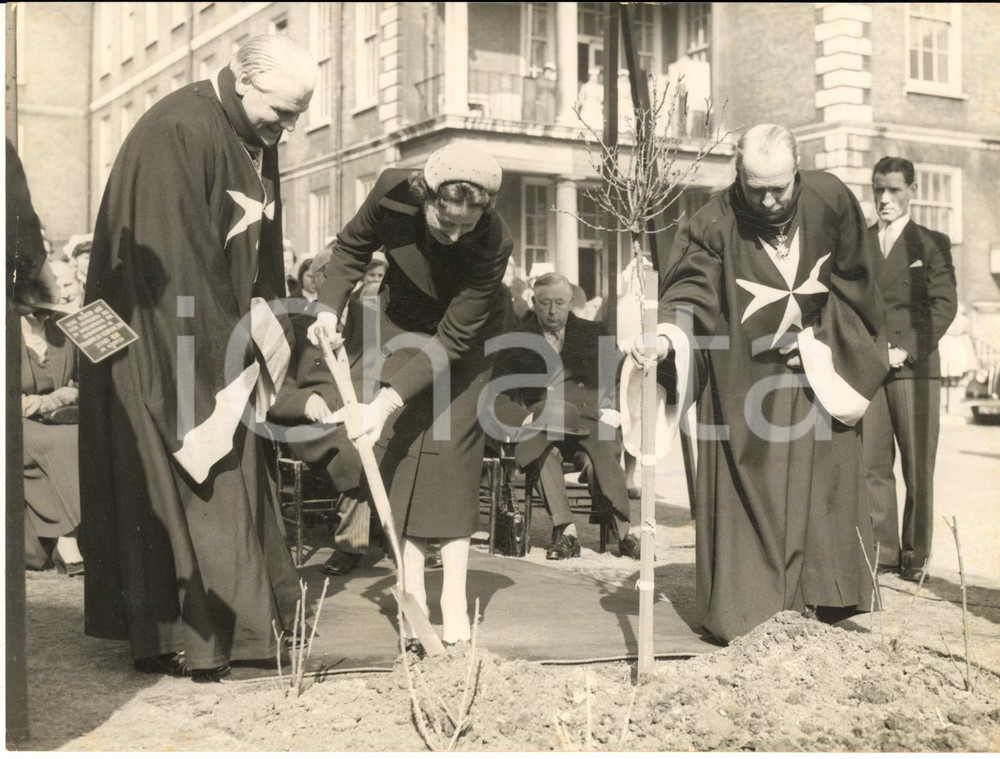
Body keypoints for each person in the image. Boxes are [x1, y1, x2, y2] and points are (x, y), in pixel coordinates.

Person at [79, 34, 317, 680]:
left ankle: (231, 637)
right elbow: (175, 262)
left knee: (228, 479)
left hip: (209, 333)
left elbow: (265, 253)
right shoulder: (175, 131)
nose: (290, 132)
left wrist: (278, 328)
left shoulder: (253, 138)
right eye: (285, 112)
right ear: (244, 82)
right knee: (172, 487)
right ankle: (185, 640)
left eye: (299, 116)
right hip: (153, 345)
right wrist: (229, 357)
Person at [629, 124, 888, 643]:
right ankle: (755, 608)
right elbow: (691, 294)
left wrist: (819, 342)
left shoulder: (831, 200)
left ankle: (825, 599)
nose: (769, 200)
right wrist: (665, 336)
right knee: (758, 490)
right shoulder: (712, 223)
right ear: (737, 174)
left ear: (798, 170)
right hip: (746, 382)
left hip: (819, 371)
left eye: (780, 187)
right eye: (755, 187)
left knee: (824, 486)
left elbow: (861, 281)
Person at [308, 143, 512, 649]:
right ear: (425, 195)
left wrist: (385, 401)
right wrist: (328, 309)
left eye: (468, 224)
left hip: (466, 343)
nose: (456, 234)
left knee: (452, 462)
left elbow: (454, 339)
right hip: (404, 324)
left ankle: (453, 598)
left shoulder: (493, 240)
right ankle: (413, 590)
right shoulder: (389, 192)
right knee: (401, 450)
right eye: (446, 223)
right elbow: (352, 247)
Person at [491, 272, 640, 561]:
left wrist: (617, 410)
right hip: (543, 421)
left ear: (571, 301)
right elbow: (498, 392)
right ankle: (566, 530)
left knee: (600, 459)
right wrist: (521, 418)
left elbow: (622, 376)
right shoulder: (517, 339)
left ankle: (623, 533)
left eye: (560, 302)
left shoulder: (594, 332)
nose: (552, 310)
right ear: (533, 302)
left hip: (588, 421)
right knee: (540, 451)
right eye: (545, 302)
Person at [862, 156, 957, 582]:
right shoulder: (860, 244)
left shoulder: (931, 243)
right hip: (871, 368)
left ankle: (915, 557)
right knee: (873, 463)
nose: (884, 198)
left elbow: (943, 307)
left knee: (917, 465)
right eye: (878, 189)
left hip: (913, 370)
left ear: (912, 192)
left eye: (894, 190)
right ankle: (881, 553)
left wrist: (902, 350)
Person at [21, 308, 84, 575]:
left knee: (84, 436)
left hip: (60, 418)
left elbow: (87, 379)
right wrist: (51, 400)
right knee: (62, 441)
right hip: (15, 421)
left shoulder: (65, 328)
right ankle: (68, 539)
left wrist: (74, 393)